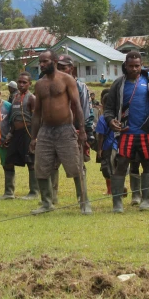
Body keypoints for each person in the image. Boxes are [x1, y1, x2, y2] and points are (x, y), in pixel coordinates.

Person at [102, 52, 149, 213]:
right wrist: (111, 121)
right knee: (122, 165)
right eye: (131, 66)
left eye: (137, 66)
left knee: (148, 164)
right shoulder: (118, 84)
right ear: (125, 66)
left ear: (141, 65)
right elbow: (109, 109)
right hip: (126, 132)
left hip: (146, 132)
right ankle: (117, 203)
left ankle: (146, 199)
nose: (134, 69)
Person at [29, 51, 91, 215]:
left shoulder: (66, 80)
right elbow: (36, 113)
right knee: (41, 167)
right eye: (40, 62)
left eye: (45, 61)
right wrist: (33, 137)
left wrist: (82, 130)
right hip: (45, 131)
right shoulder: (39, 84)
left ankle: (84, 202)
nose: (42, 65)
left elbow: (77, 106)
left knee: (75, 166)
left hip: (65, 129)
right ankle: (46, 203)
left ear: (54, 61)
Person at [55, 55, 95, 203]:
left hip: (74, 130)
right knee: (52, 164)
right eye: (58, 67)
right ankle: (52, 198)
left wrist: (84, 130)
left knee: (77, 164)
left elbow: (86, 109)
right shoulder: (52, 84)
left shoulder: (80, 87)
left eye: (64, 67)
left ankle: (82, 196)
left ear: (71, 68)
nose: (61, 70)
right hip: (54, 129)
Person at [1, 72, 38, 201]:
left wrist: (35, 137)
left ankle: (34, 192)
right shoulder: (15, 97)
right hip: (15, 133)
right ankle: (9, 192)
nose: (21, 84)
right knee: (9, 161)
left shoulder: (32, 98)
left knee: (31, 162)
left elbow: (36, 119)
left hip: (27, 133)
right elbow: (12, 118)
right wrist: (10, 134)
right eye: (20, 82)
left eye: (24, 82)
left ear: (29, 84)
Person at [96, 89, 118, 196]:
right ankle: (116, 188)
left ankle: (112, 190)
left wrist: (99, 150)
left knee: (107, 169)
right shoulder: (117, 116)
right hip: (117, 145)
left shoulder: (102, 118)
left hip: (107, 147)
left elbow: (100, 136)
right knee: (116, 167)